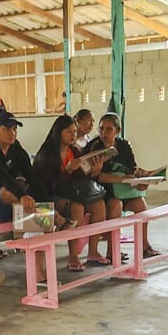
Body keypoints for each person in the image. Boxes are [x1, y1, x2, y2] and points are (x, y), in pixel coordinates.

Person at [83, 111, 162, 260]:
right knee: (116, 205)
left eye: (108, 129)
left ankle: (144, 246)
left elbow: (132, 169)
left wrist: (140, 180)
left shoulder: (124, 145)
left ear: (117, 131)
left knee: (141, 205)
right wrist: (121, 180)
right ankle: (112, 250)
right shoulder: (94, 147)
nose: (103, 133)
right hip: (103, 192)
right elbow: (96, 176)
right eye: (101, 129)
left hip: (124, 190)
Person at [35, 114, 106, 272]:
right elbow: (48, 185)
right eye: (68, 132)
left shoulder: (73, 151)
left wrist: (94, 171)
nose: (73, 135)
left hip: (71, 192)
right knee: (77, 208)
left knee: (99, 205)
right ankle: (73, 255)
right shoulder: (46, 154)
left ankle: (93, 251)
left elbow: (80, 176)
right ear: (58, 132)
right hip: (50, 196)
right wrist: (66, 171)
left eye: (74, 132)